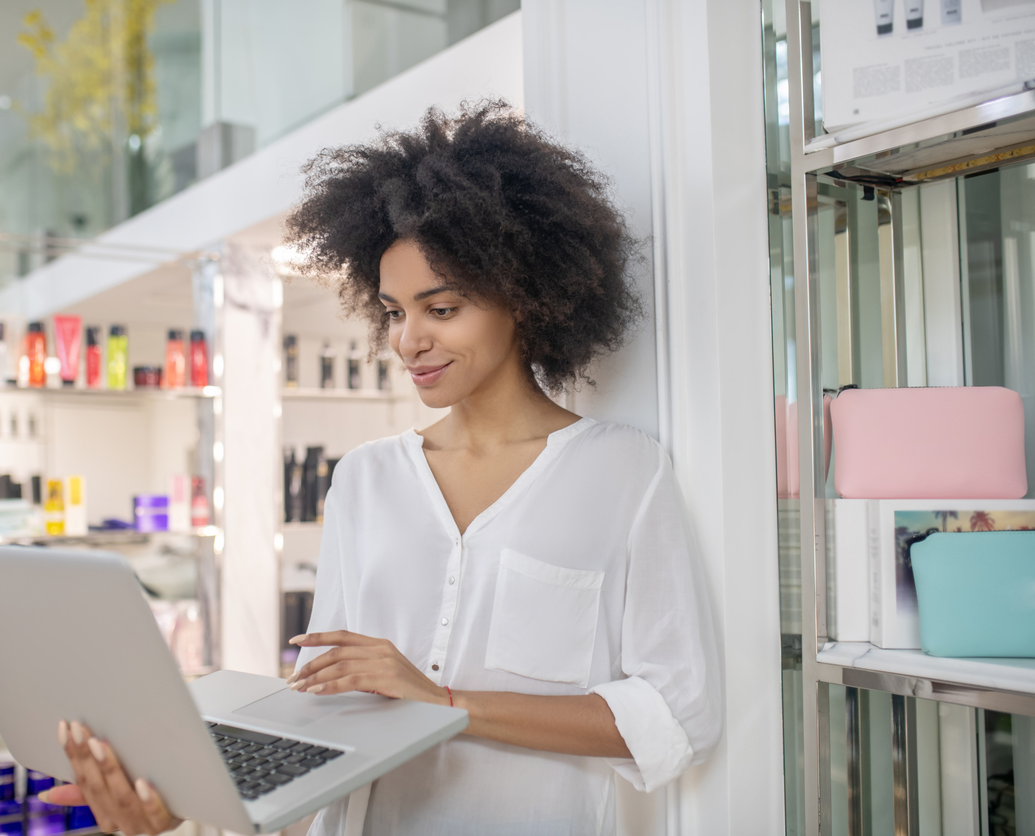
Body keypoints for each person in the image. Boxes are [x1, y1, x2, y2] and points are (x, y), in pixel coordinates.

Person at [43, 101, 721, 836]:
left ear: (524, 299)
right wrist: (193, 786)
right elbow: (329, 702)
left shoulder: (622, 473)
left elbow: (677, 715)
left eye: (442, 308)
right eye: (395, 312)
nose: (409, 340)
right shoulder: (365, 479)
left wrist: (443, 701)